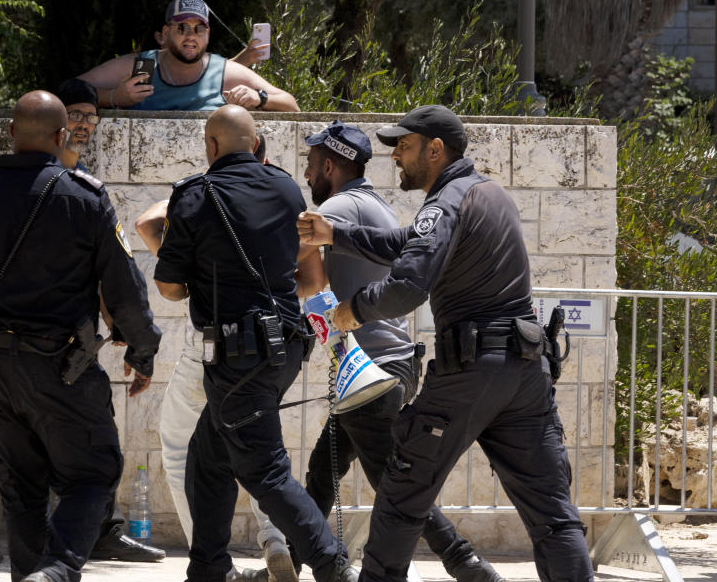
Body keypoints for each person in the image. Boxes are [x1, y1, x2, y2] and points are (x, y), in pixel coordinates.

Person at [296, 105, 595, 582]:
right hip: (524, 370)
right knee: (553, 515)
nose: (396, 157)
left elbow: (408, 285)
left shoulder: (446, 201)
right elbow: (406, 243)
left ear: (436, 150)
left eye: (406, 147)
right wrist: (337, 234)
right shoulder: (489, 193)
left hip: (471, 370)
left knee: (400, 496)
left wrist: (351, 311)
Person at [0, 90, 162, 582]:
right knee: (92, 475)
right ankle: (59, 568)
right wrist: (142, 350)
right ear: (62, 138)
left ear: (11, 134)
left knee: (22, 491)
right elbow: (123, 286)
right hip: (62, 369)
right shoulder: (85, 198)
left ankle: (33, 576)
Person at [152, 104, 353, 582]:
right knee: (208, 455)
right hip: (285, 346)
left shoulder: (194, 196)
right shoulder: (286, 187)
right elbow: (300, 262)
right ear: (256, 144)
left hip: (236, 354)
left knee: (266, 472)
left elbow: (169, 287)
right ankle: (207, 569)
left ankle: (332, 567)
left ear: (211, 146)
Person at [296, 120, 503, 582]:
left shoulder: (337, 205)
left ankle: (465, 562)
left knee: (396, 485)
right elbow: (322, 280)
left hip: (371, 371)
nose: (307, 175)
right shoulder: (371, 203)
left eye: (310, 165)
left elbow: (300, 267)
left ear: (330, 164)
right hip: (384, 366)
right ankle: (293, 560)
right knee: (322, 469)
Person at [134, 135, 301, 582]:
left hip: (211, 345)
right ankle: (277, 540)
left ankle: (209, 559)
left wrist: (188, 277)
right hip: (272, 343)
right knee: (260, 448)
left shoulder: (205, 193)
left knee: (180, 448)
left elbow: (146, 221)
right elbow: (307, 279)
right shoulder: (280, 196)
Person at [79, 0, 298, 112]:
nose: (191, 35)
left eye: (199, 28)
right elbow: (69, 90)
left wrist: (259, 98)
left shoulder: (225, 72)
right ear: (165, 33)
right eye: (182, 27)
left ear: (208, 33)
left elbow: (291, 105)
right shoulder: (139, 66)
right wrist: (112, 97)